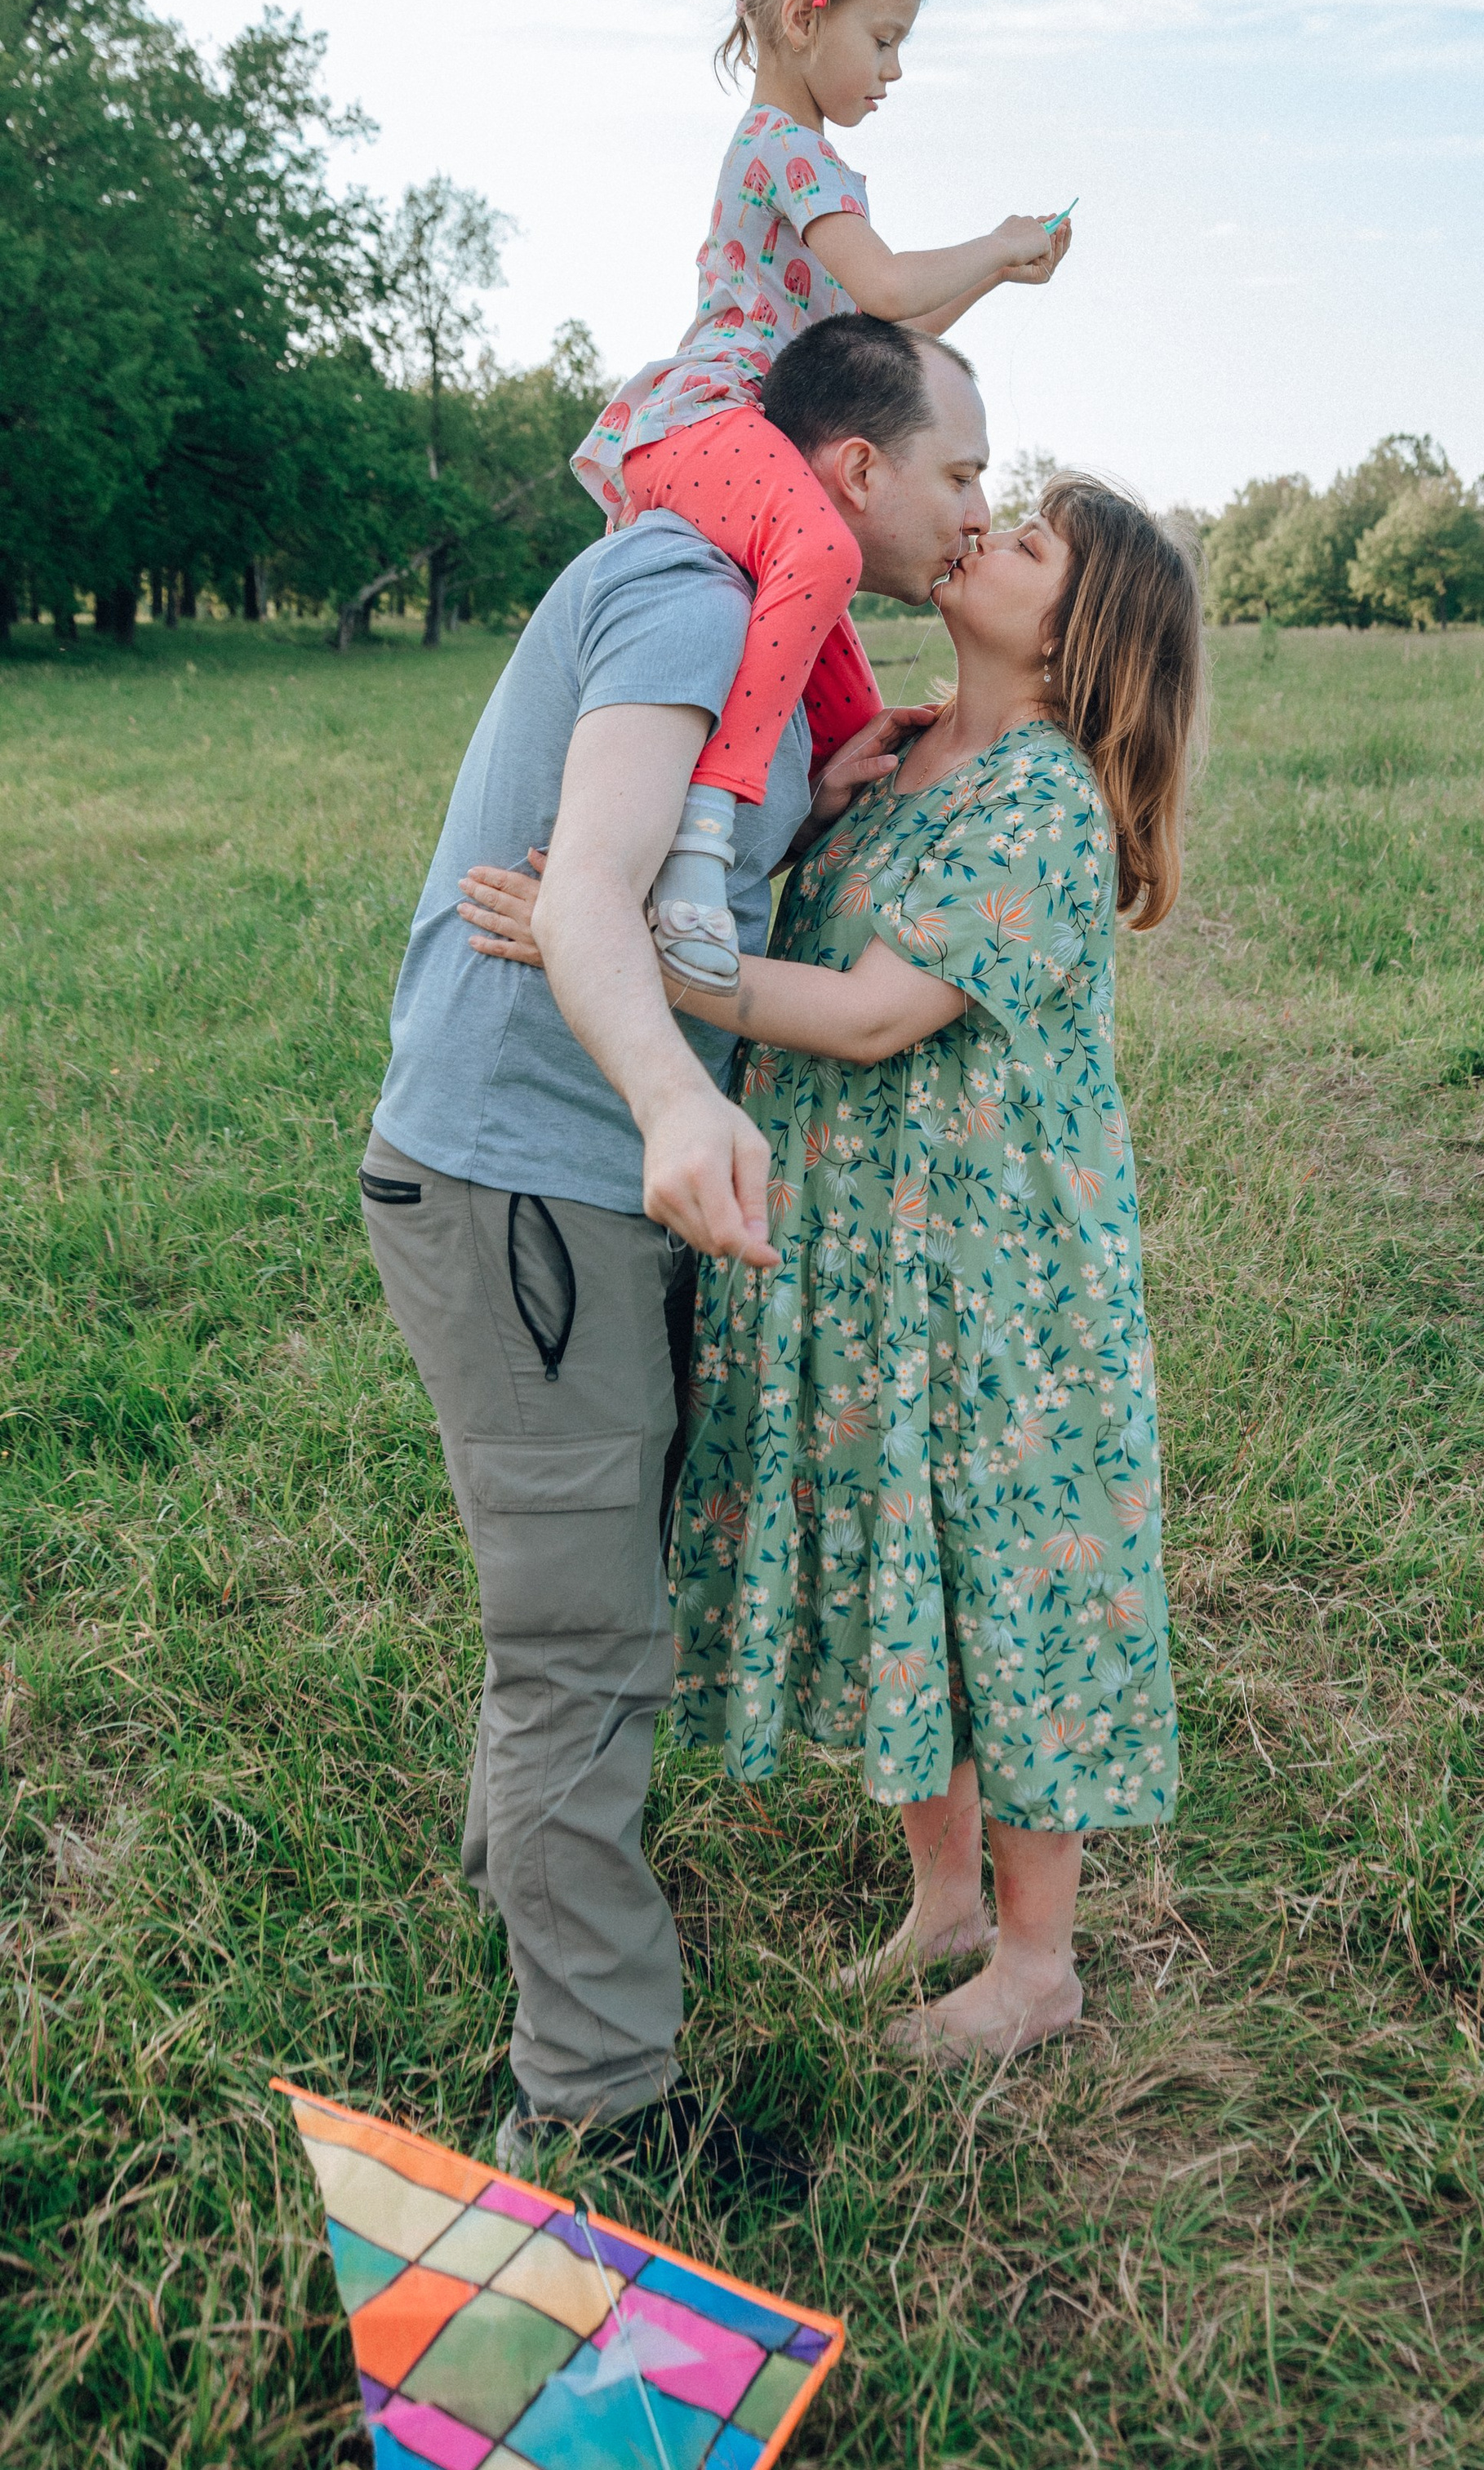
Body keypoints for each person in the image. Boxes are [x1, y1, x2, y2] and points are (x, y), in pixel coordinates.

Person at [460, 478, 1206, 2068]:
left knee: (1004, 1582)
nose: (988, 531)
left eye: (1033, 543)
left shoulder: (1044, 797)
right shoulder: (909, 754)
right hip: (875, 1250)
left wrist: (608, 944)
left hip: (994, 1276)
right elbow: (802, 916)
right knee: (909, 1565)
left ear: (1081, 633)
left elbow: (870, 1013)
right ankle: (946, 1905)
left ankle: (1038, 1963)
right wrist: (812, 806)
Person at [358, 313, 990, 2174]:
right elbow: (583, 891)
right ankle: (596, 2108)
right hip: (527, 1179)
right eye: (958, 470)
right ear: (855, 467)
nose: (975, 508)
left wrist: (823, 791)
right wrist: (671, 1102)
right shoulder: (689, 593)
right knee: (583, 1643)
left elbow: (656, 872)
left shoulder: (763, 630)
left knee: (590, 1601)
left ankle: (524, 1887)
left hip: (574, 1178)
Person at [566, 0, 1073, 989]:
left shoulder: (808, 160)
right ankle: (700, 839)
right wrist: (996, 241)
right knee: (828, 550)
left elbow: (885, 333)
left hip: (761, 434)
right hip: (708, 420)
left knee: (853, 719)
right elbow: (885, 288)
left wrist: (997, 278)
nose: (893, 70)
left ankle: (825, 896)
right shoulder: (784, 150)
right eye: (883, 39)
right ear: (809, 15)